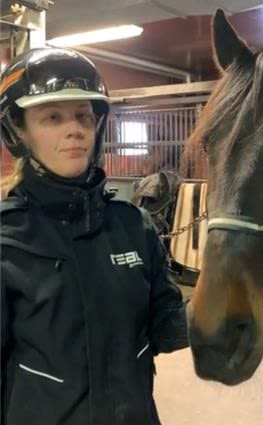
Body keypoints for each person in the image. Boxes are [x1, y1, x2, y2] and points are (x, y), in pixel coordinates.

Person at [0, 47, 188, 425]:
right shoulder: (7, 240)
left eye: (84, 116)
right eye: (52, 117)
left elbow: (167, 327)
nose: (75, 130)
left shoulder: (133, 225)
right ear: (17, 131)